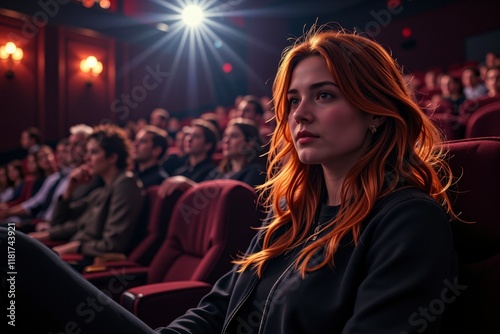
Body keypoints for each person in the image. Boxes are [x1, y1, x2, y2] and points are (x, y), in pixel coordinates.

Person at [1, 26, 459, 334]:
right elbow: (217, 308)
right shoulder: (290, 216)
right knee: (11, 253)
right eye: (293, 99)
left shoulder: (408, 220)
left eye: (324, 95)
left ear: (375, 112)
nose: (300, 113)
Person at [29, 124, 145, 272]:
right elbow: (61, 222)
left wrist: (77, 247)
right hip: (78, 254)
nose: (86, 158)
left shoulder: (126, 184)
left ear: (112, 157)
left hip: (92, 263)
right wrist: (70, 189)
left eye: (94, 152)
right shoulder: (103, 190)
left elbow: (113, 245)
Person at [158, 117, 267, 197]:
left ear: (249, 144)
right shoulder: (218, 172)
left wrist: (186, 184)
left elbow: (237, 201)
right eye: (225, 136)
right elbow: (202, 193)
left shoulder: (255, 171)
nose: (226, 141)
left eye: (234, 136)